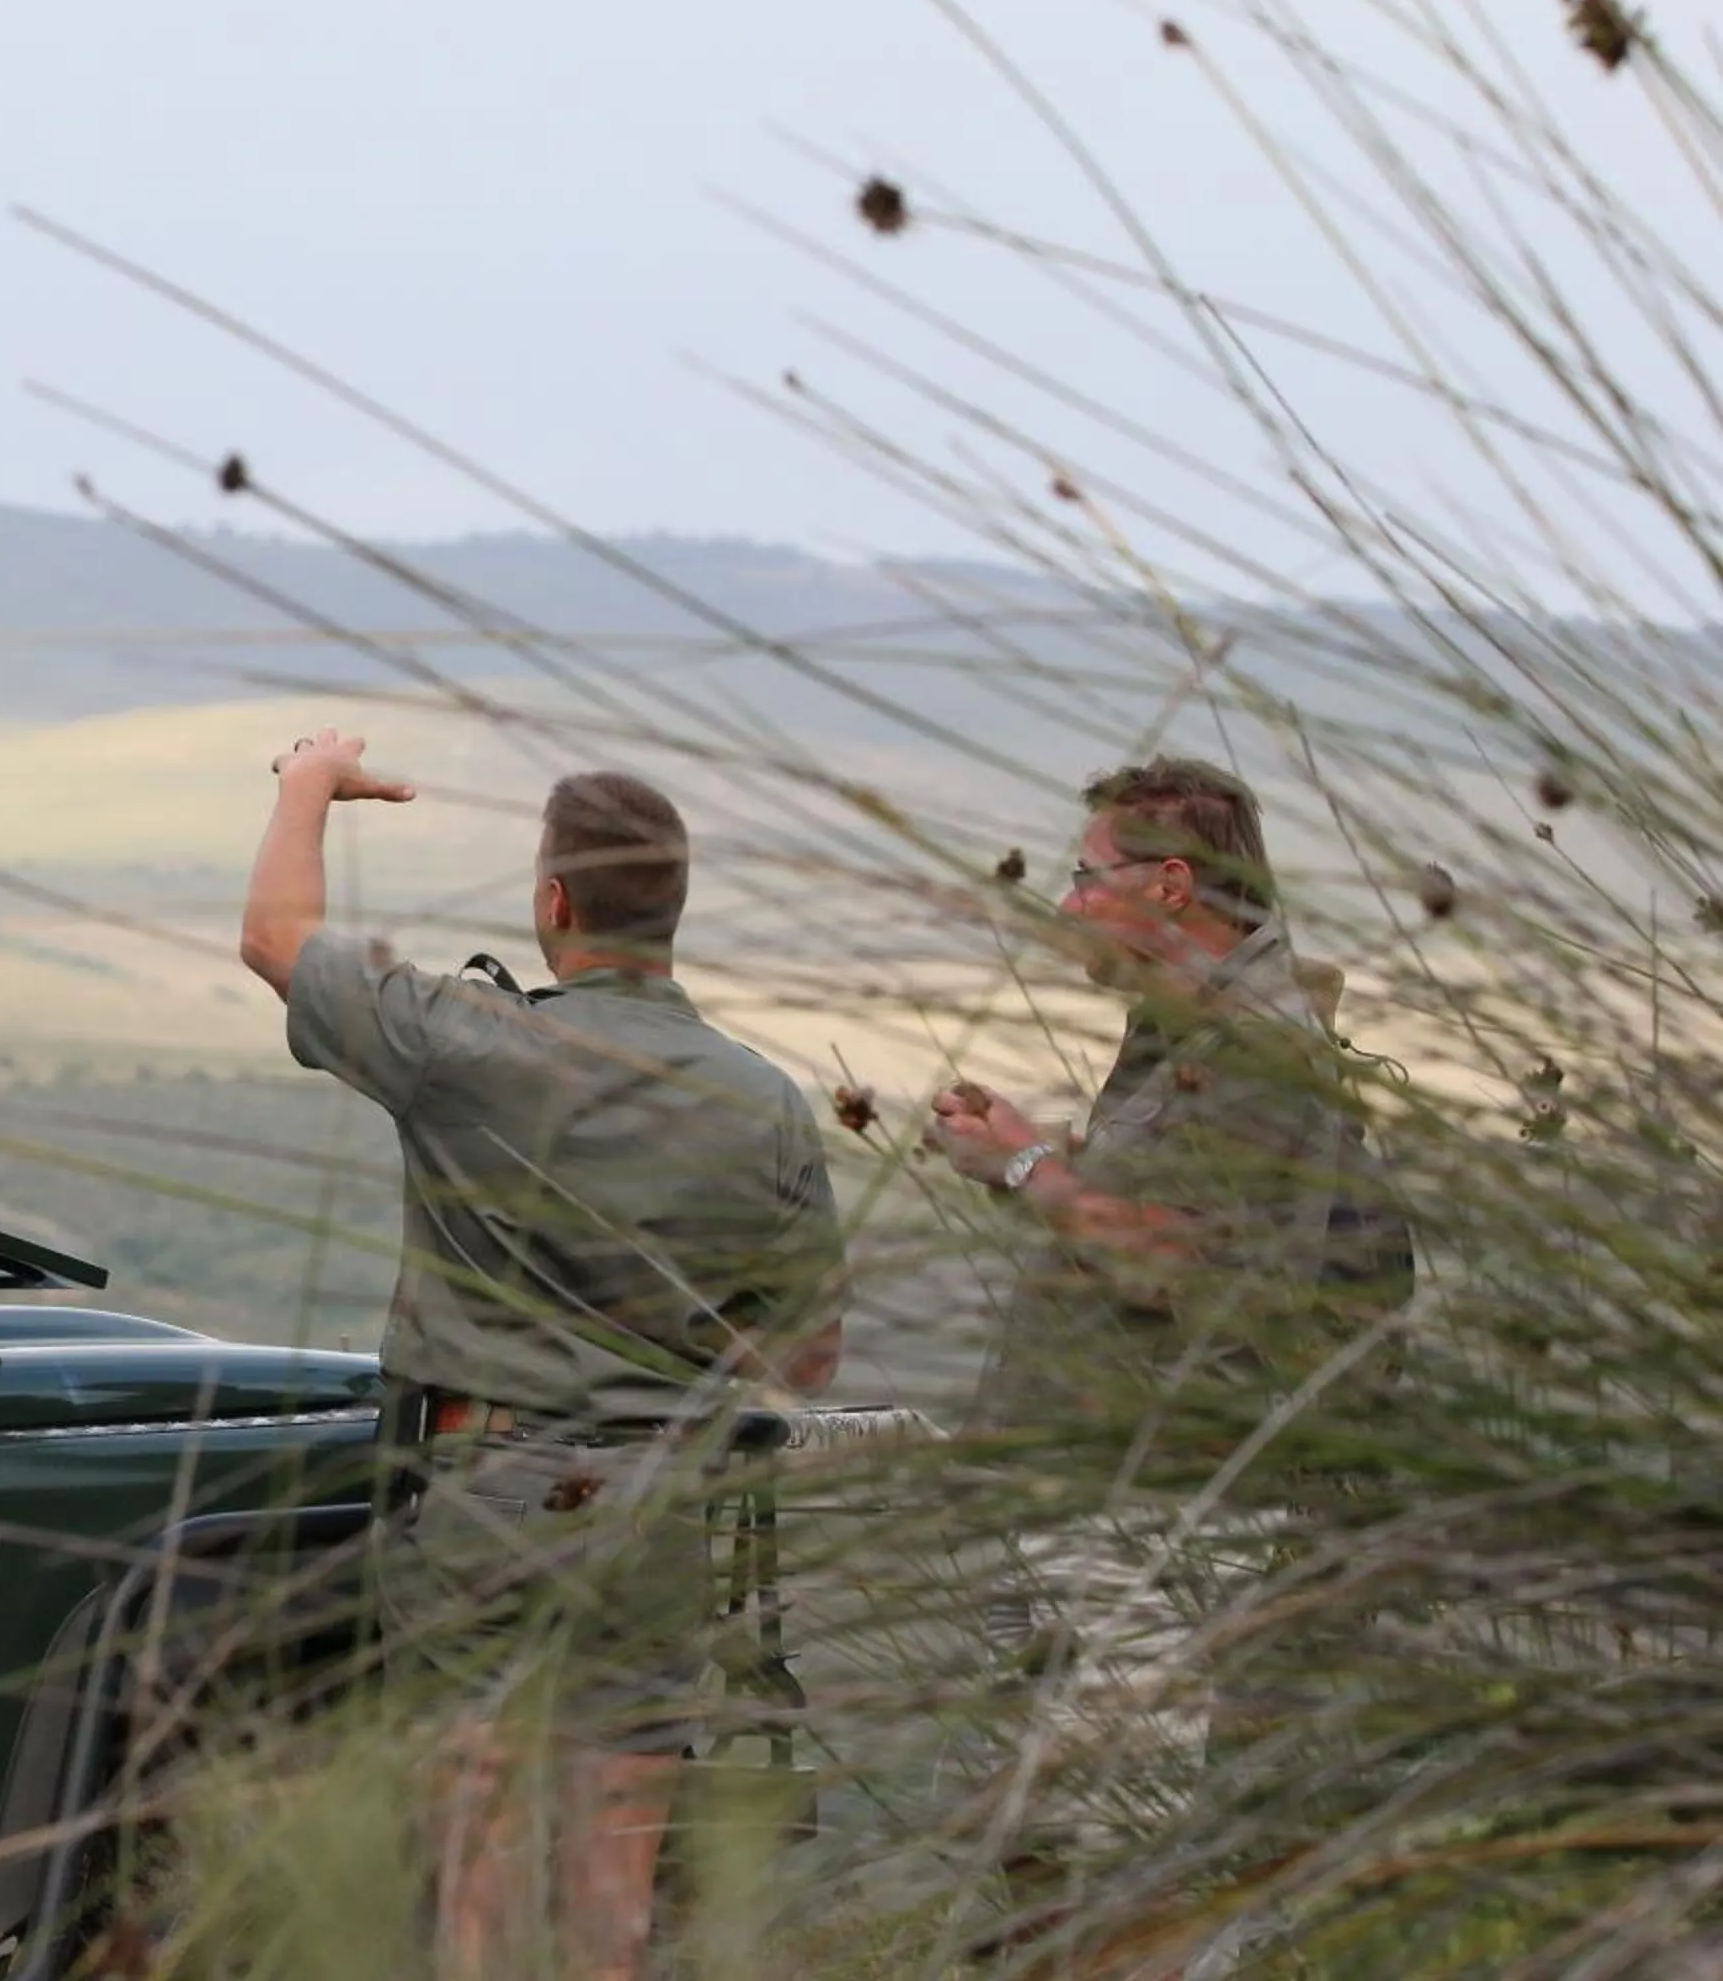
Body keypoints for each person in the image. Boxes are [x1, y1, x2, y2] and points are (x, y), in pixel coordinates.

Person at [240, 729, 845, 1981]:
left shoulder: (476, 1042)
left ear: (552, 902)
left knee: (485, 1886)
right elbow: (809, 1354)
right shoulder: (765, 1101)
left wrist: (308, 783)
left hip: (491, 1501)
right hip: (659, 1511)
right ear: (672, 911)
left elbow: (274, 939)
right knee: (610, 1892)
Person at [924, 754, 1413, 1872]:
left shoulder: (1253, 1046)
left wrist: (1024, 1164)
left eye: (1089, 873)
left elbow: (1178, 1264)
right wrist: (1059, 1155)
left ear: (1172, 884)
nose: (1067, 902)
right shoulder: (1187, 1029)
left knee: (1111, 1860)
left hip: (1155, 1524)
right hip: (1109, 1512)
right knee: (1035, 1850)